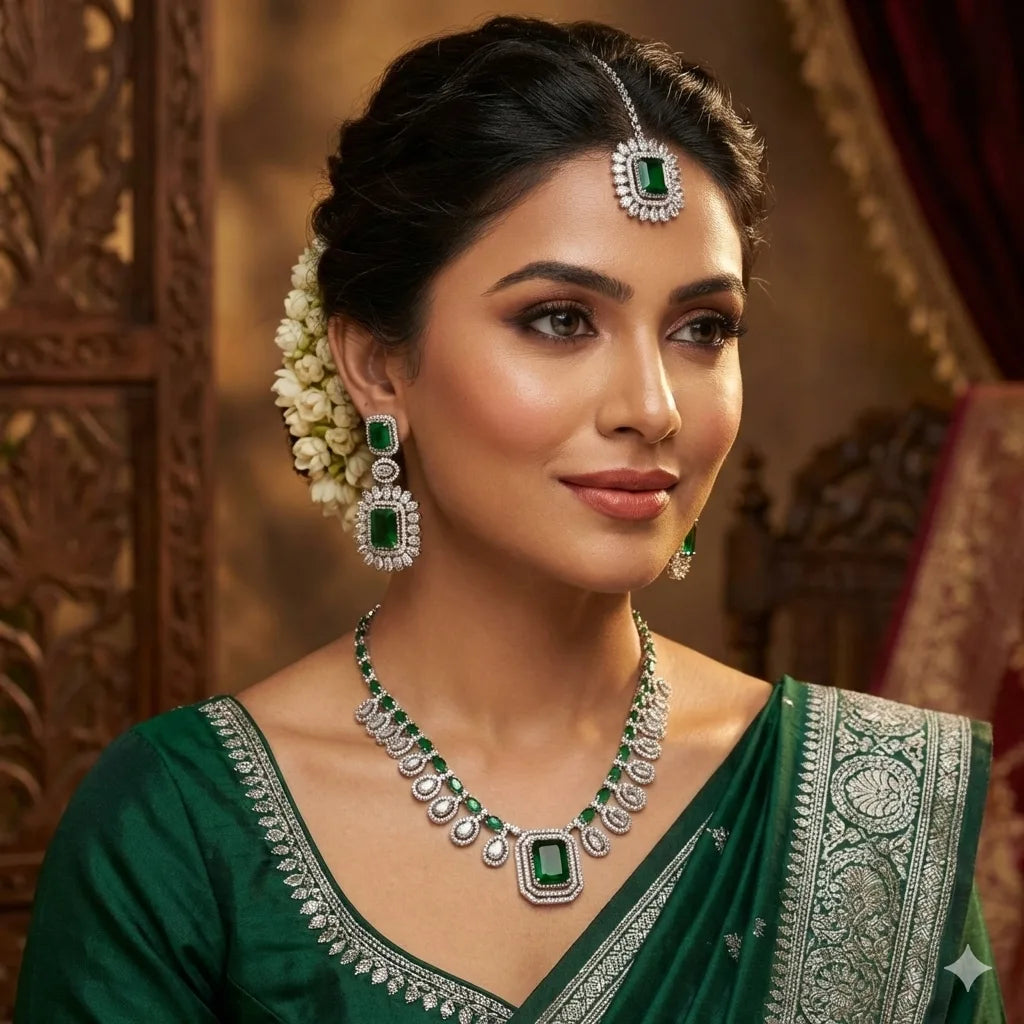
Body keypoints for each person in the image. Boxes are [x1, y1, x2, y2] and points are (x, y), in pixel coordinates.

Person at [13, 15, 1006, 1023]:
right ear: (376, 365)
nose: (654, 406)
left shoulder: (870, 815)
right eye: (560, 320)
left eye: (702, 329)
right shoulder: (180, 828)